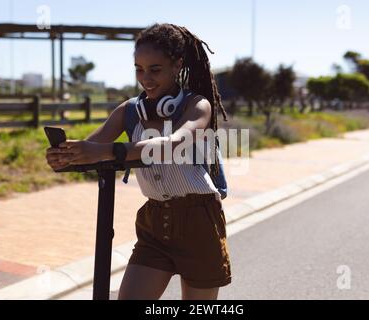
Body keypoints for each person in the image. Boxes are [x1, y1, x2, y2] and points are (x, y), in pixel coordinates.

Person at [46, 23, 231, 300]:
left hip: (199, 221)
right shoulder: (129, 111)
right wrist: (66, 155)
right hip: (155, 220)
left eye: (155, 69)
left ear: (177, 65)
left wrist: (109, 151)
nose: (146, 78)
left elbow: (171, 145)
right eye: (139, 69)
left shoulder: (197, 106)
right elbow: (92, 149)